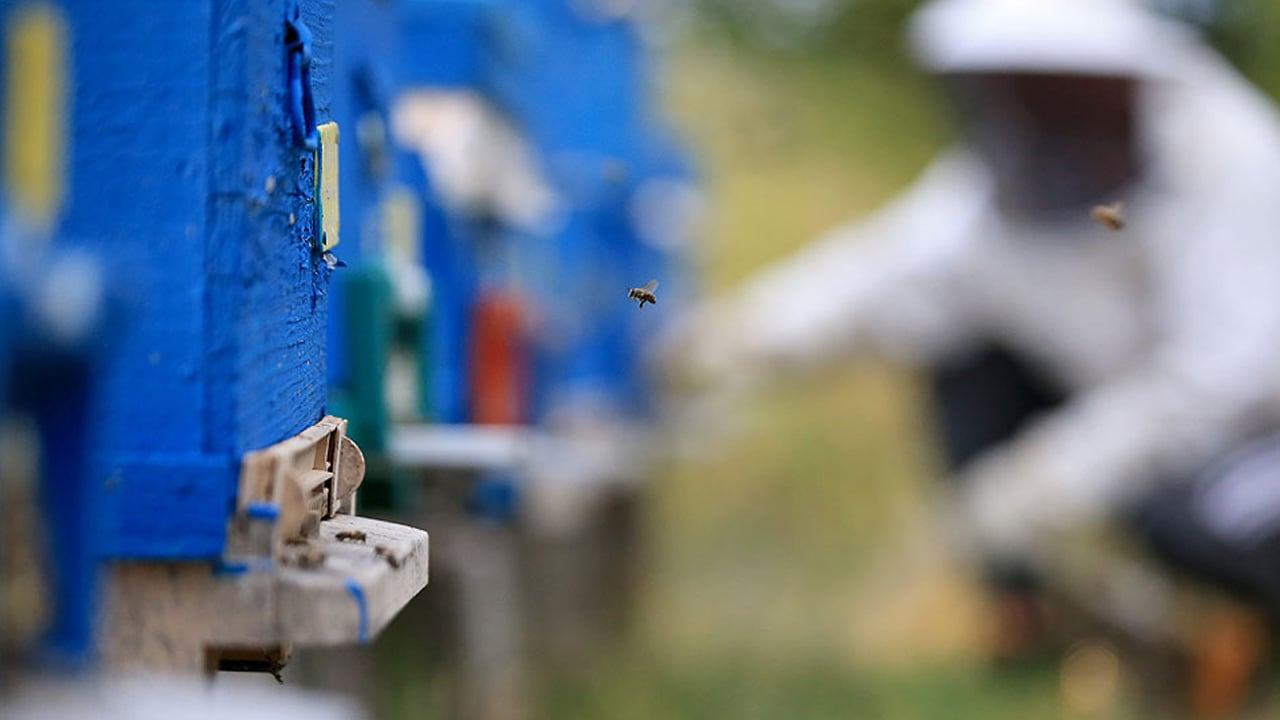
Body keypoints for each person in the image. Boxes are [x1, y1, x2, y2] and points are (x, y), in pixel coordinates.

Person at [672, 0, 1280, 664]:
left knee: (1210, 526)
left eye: (1049, 90)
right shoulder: (1007, 183)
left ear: (1112, 84)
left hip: (1250, 441)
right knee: (964, 353)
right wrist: (731, 343)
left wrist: (1055, 477)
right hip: (1129, 434)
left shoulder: (1232, 159)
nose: (1031, 110)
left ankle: (1239, 641)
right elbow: (882, 278)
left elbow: (1226, 377)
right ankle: (1035, 619)